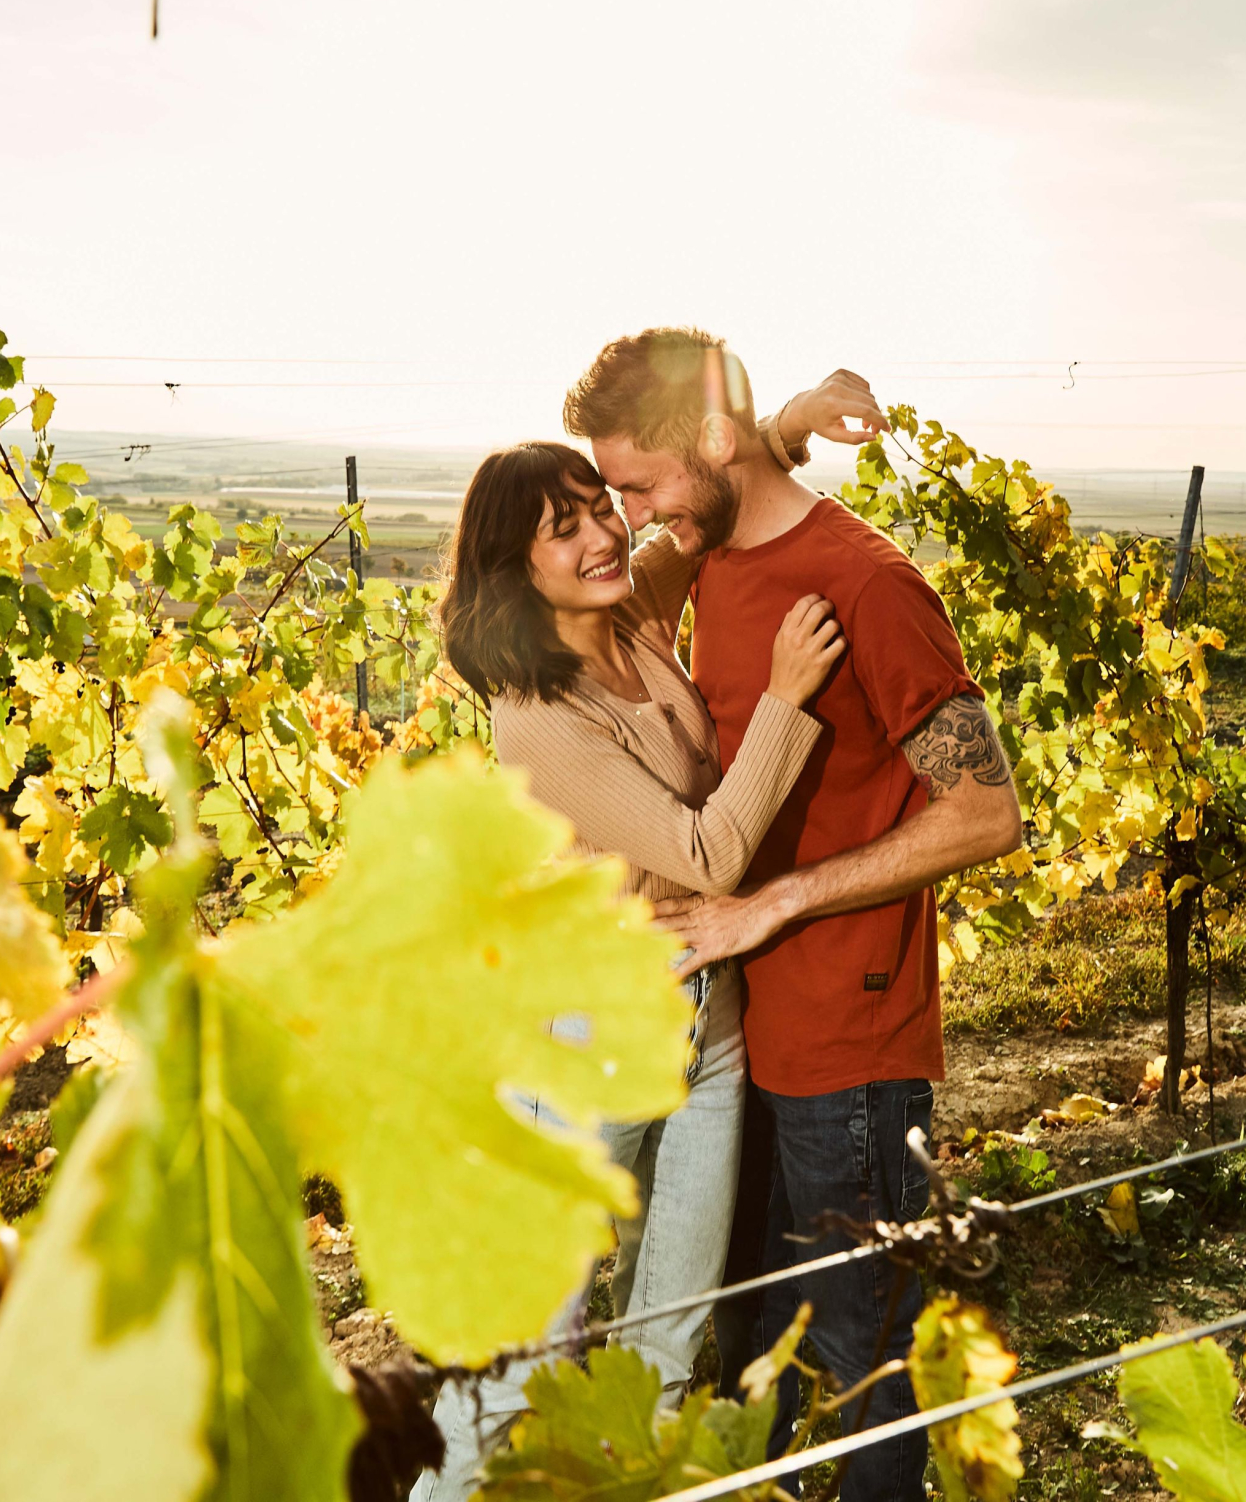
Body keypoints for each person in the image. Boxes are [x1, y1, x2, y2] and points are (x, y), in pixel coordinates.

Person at [563, 327, 1021, 1502]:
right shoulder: (707, 545)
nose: (630, 518)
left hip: (847, 1045)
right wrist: (787, 420)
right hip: (737, 1030)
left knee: (865, 1355)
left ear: (709, 440)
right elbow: (713, 481)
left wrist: (776, 901)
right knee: (746, 1339)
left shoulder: (867, 584)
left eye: (637, 485)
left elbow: (985, 812)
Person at [410, 378, 872, 1502]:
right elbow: (709, 852)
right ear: (514, 568)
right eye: (560, 528)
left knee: (669, 1336)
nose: (601, 534)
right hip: (579, 1043)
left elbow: (691, 519)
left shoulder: (630, 613)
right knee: (519, 1357)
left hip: (704, 1027)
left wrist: (788, 424)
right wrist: (785, 699)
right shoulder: (539, 716)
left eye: (597, 505)